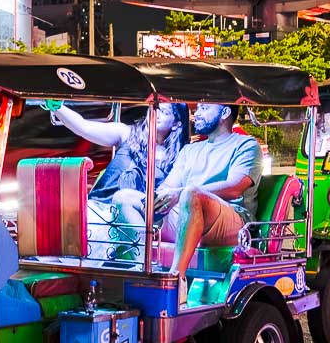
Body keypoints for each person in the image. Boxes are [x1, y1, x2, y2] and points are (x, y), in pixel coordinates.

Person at [119, 103, 262, 304]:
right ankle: (144, 264)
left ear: (225, 112)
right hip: (188, 213)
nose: (197, 114)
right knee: (123, 197)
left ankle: (177, 279)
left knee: (191, 192)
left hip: (232, 222)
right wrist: (156, 200)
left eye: (204, 108)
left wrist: (182, 193)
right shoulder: (190, 150)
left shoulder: (246, 145)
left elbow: (234, 187)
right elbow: (170, 187)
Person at [43, 101, 187, 257]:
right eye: (154, 108)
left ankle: (140, 261)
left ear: (176, 124)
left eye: (164, 112)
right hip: (100, 205)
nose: (156, 113)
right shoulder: (126, 133)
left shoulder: (177, 158)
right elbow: (83, 127)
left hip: (134, 214)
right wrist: (57, 107)